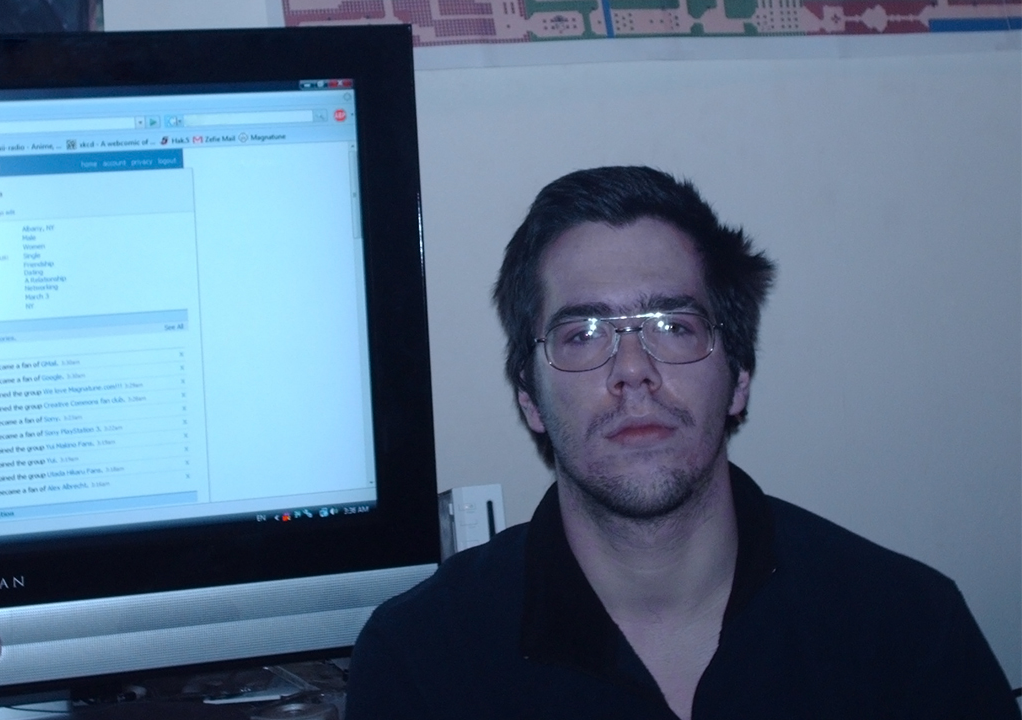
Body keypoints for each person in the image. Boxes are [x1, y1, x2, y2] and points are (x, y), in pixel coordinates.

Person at [346, 167, 1019, 719]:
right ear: (530, 398)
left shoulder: (907, 629)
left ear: (738, 378)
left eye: (672, 326)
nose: (632, 369)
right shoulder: (421, 663)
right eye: (582, 335)